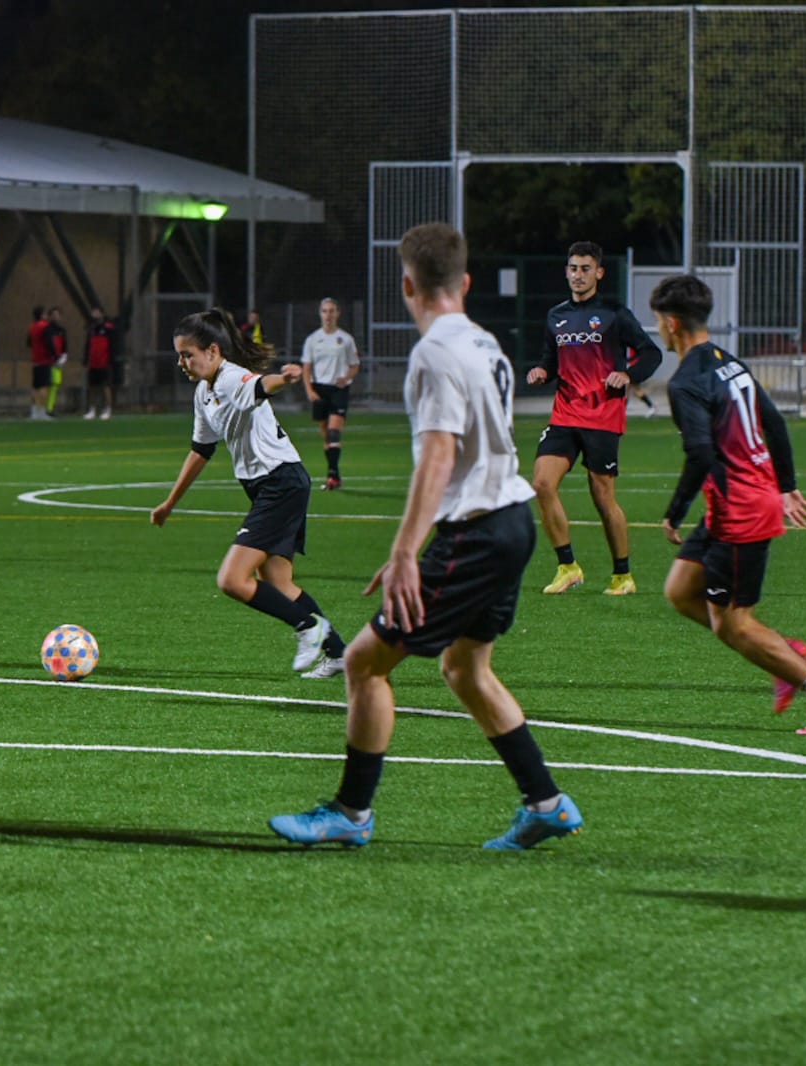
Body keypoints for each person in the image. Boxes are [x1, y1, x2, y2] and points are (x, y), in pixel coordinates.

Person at [270, 222, 583, 851]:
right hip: (513, 520)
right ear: (465, 283)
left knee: (362, 661)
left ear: (407, 285)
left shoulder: (434, 352)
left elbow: (439, 456)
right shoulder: (485, 343)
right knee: (466, 669)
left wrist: (407, 550)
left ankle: (351, 813)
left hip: (478, 530)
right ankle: (546, 802)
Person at [652, 273, 806, 736]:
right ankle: (782, 655)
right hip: (736, 501)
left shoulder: (685, 382)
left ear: (672, 322)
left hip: (740, 510)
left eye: (658, 322)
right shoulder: (730, 362)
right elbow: (774, 421)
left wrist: (674, 510)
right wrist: (785, 483)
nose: (658, 330)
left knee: (734, 626)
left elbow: (701, 453)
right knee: (682, 591)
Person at [151, 307, 348, 680]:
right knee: (280, 583)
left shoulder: (229, 378)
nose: (182, 362)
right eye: (178, 355)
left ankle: (309, 628)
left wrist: (284, 380)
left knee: (231, 579)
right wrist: (170, 503)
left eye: (187, 354)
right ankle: (337, 652)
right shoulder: (204, 394)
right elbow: (201, 450)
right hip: (272, 485)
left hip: (280, 482)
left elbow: (259, 386)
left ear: (212, 351)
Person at [526, 241, 662, 595]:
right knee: (541, 483)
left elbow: (651, 352)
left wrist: (629, 374)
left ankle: (623, 575)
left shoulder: (615, 313)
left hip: (602, 415)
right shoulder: (556, 316)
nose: (578, 275)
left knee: (602, 497)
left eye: (586, 269)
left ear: (599, 272)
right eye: (573, 268)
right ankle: (567, 566)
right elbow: (551, 360)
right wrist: (542, 370)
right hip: (565, 414)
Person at [299, 297, 361, 490]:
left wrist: (347, 377)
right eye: (325, 311)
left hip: (339, 389)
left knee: (334, 432)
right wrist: (309, 390)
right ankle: (334, 474)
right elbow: (306, 367)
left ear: (338, 313)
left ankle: (333, 476)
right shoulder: (312, 339)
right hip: (320, 389)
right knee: (326, 435)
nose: (328, 315)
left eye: (332, 311)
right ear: (320, 313)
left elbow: (355, 365)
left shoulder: (346, 339)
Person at [27, 305, 61, 420]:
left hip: (35, 360)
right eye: (45, 314)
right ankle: (41, 412)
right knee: (44, 387)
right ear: (42, 315)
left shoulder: (32, 327)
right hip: (45, 360)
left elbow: (28, 343)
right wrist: (55, 355)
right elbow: (49, 342)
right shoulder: (45, 327)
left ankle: (33, 412)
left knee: (35, 387)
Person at [83, 306, 116, 420]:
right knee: (92, 387)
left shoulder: (108, 328)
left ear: (102, 314)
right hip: (93, 362)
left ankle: (108, 409)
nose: (95, 314)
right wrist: (86, 359)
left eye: (97, 312)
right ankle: (92, 409)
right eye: (93, 312)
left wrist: (111, 359)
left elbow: (113, 345)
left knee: (106, 386)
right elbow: (88, 345)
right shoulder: (92, 329)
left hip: (104, 361)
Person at [44, 306, 69, 416]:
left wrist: (63, 358)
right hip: (48, 361)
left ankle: (50, 408)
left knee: (55, 385)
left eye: (57, 315)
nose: (56, 317)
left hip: (58, 362)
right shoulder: (47, 330)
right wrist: (54, 357)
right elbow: (48, 345)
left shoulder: (62, 331)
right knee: (45, 384)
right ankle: (43, 408)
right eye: (53, 315)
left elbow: (65, 346)